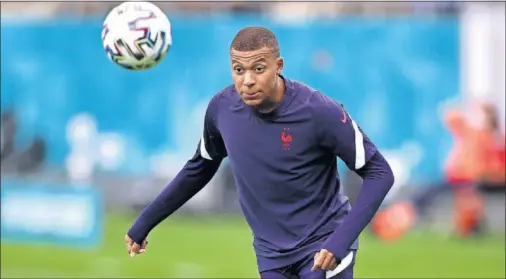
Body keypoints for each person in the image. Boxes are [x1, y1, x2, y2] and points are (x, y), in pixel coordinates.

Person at [125, 26, 394, 279]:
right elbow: (200, 167)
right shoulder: (221, 109)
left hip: (323, 245)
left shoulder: (319, 111)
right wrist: (144, 223)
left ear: (278, 67)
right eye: (238, 70)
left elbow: (379, 172)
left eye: (259, 68)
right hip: (270, 255)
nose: (248, 80)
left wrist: (340, 240)